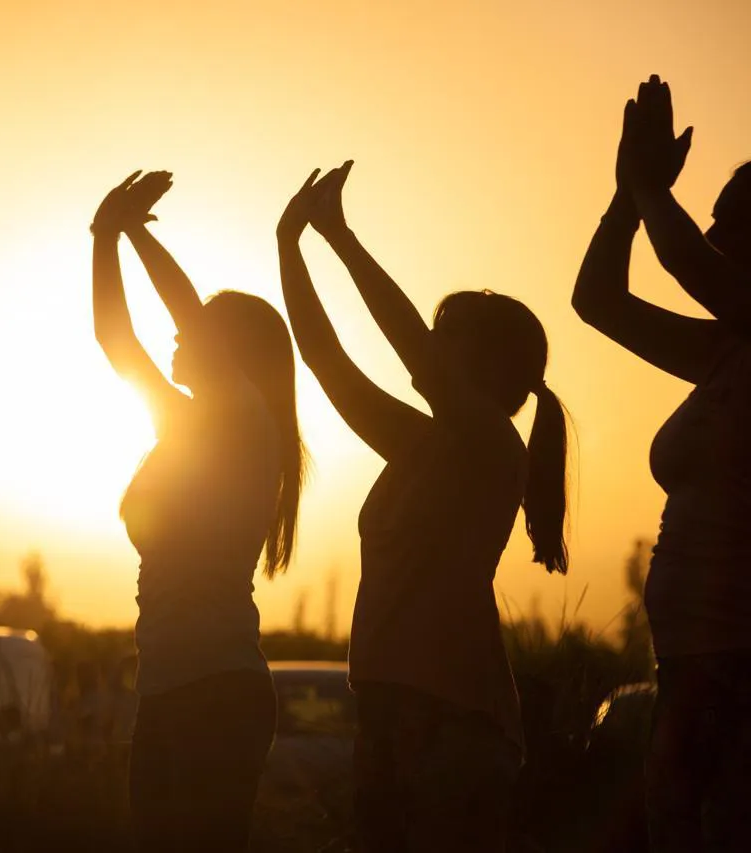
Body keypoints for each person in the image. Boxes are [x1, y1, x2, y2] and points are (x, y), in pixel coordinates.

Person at [279, 162, 570, 852]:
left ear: (495, 364)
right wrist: (290, 244)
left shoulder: (495, 447)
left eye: (450, 331)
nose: (435, 341)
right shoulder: (422, 442)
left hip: (453, 717)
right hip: (391, 703)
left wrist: (340, 236)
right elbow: (323, 358)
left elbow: (413, 352)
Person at [90, 172, 305, 852]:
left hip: (215, 691)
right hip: (170, 686)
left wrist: (133, 232)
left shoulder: (248, 423)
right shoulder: (185, 426)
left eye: (204, 332)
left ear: (232, 355)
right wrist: (104, 236)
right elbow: (116, 340)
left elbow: (187, 317)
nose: (181, 339)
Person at [573, 74, 751, 852]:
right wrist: (626, 198)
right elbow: (597, 301)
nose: (711, 229)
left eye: (731, 218)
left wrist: (650, 189)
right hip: (691, 663)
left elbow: (685, 260)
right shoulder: (725, 351)